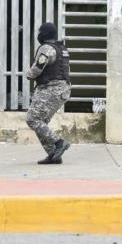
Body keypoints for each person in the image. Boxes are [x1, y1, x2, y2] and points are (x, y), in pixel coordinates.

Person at [25, 22, 72, 164]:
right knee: (41, 121)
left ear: (44, 33)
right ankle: (53, 154)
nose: (38, 34)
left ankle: (59, 143)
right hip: (63, 89)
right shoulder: (61, 48)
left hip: (51, 89)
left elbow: (36, 70)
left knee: (32, 119)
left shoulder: (46, 49)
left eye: (40, 32)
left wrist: (28, 74)